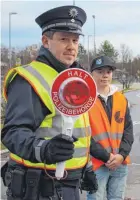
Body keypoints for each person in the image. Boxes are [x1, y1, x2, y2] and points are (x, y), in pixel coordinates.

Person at [1, 5, 113, 200]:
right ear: (45, 41)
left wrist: (85, 167)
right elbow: (13, 133)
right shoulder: (29, 78)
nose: (71, 46)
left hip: (68, 184)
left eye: (75, 40)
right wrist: (44, 149)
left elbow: (77, 131)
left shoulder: (74, 79)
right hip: (38, 187)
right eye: (64, 39)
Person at [86, 55, 134, 200]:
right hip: (97, 164)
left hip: (120, 163)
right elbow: (83, 135)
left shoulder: (121, 98)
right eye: (100, 71)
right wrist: (106, 157)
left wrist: (121, 155)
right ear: (92, 74)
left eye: (108, 71)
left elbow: (128, 130)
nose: (105, 75)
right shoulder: (84, 99)